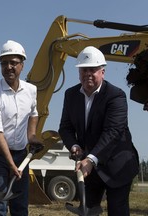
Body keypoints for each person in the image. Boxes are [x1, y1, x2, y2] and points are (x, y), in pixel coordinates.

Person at [58, 46, 139, 216]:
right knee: (88, 211)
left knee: (117, 211)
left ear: (102, 71)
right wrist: (73, 145)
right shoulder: (70, 95)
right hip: (91, 171)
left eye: (92, 69)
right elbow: (65, 128)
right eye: (83, 69)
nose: (87, 73)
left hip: (117, 166)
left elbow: (113, 132)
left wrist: (90, 159)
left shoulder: (115, 96)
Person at [0, 40, 43, 216]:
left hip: (21, 155)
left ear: (22, 65)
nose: (9, 67)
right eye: (4, 63)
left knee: (20, 205)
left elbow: (33, 113)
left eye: (13, 63)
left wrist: (31, 136)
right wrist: (10, 164)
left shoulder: (31, 90)